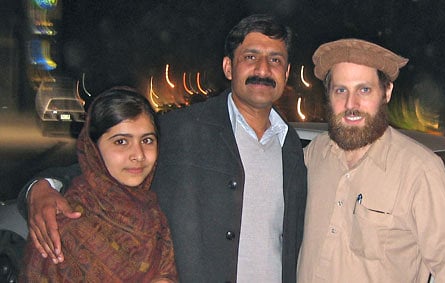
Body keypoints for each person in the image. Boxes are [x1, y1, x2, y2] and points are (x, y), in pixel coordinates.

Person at [19, 14, 307, 282]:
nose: (263, 69)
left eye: (275, 60)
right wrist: (41, 187)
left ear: (287, 71)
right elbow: (105, 165)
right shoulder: (183, 129)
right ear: (228, 67)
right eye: (250, 57)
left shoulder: (291, 146)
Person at [297, 38, 445, 282]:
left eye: (364, 89)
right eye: (341, 90)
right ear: (329, 96)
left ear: (387, 92)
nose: (351, 104)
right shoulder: (316, 153)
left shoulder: (419, 170)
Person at [19, 87, 178, 282]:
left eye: (147, 140)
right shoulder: (62, 223)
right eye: (121, 142)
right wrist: (39, 186)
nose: (138, 154)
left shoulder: (153, 213)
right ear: (93, 148)